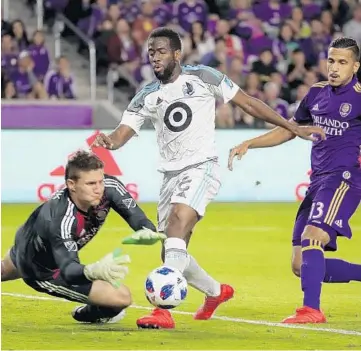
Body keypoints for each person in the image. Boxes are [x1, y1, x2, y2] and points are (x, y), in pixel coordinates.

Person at [93, 27, 325, 329]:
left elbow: (248, 103)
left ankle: (162, 311)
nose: (155, 57)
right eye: (151, 52)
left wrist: (292, 127)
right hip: (169, 176)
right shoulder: (147, 95)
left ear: (177, 53)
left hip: (201, 167)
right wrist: (109, 141)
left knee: (178, 221)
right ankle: (216, 292)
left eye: (161, 51)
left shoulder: (204, 76)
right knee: (172, 249)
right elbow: (123, 132)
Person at [228, 37, 361, 324]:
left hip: (344, 180)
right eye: (331, 61)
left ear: (355, 66)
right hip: (318, 181)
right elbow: (290, 129)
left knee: (314, 235)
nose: (335, 68)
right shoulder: (316, 93)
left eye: (342, 62)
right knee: (301, 264)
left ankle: (311, 309)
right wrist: (251, 143)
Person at [1, 150, 163, 324]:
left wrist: (147, 230)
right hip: (42, 271)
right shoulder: (60, 218)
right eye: (91, 183)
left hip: (29, 244)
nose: (98, 189)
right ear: (71, 184)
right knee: (120, 298)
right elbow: (69, 270)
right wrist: (92, 271)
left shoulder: (109, 187)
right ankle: (84, 314)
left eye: (100, 181)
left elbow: (136, 216)